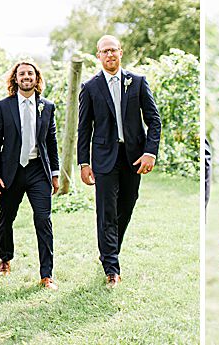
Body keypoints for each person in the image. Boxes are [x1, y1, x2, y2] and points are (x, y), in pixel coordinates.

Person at [77, 34, 163, 287]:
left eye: (113, 50)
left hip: (133, 157)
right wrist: (84, 163)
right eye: (105, 51)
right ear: (99, 56)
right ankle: (111, 267)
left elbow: (154, 120)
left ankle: (109, 251)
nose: (110, 55)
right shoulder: (90, 87)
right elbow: (84, 129)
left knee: (127, 205)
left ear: (121, 52)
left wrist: (150, 152)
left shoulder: (137, 82)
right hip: (104, 158)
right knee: (107, 211)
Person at [0, 60, 61, 290]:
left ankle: (46, 274)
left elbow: (51, 142)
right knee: (6, 217)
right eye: (22, 74)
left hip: (38, 170)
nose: (26, 77)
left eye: (30, 73)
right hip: (11, 171)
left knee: (43, 219)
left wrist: (55, 174)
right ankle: (5, 258)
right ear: (15, 79)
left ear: (36, 78)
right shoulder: (2, 107)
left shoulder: (47, 106)